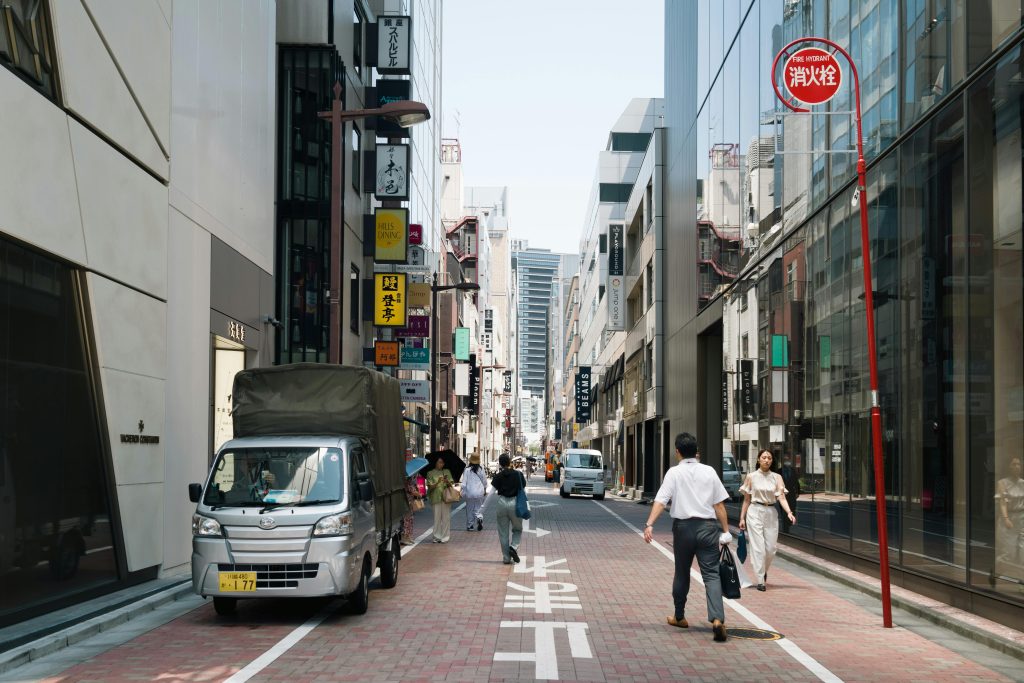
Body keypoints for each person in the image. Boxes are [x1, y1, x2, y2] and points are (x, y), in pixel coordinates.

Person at [642, 432, 733, 643]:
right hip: (708, 528)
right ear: (696, 451)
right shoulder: (709, 471)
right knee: (711, 575)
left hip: (683, 528)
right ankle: (717, 619)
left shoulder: (674, 473)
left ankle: (680, 616)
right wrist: (726, 531)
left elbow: (661, 500)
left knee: (681, 573)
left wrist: (649, 524)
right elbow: (719, 504)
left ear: (678, 452)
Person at [739, 449, 796, 591]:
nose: (766, 460)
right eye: (764, 457)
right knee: (759, 548)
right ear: (758, 459)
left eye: (769, 458)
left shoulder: (777, 477)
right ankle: (760, 580)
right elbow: (746, 499)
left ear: (772, 461)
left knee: (770, 549)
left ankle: (763, 571)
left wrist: (789, 512)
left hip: (771, 511)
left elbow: (781, 497)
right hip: (754, 511)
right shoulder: (751, 477)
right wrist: (742, 518)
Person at [490, 453, 526, 564]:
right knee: (517, 529)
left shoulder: (498, 476)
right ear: (510, 462)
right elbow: (523, 486)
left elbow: (490, 493)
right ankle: (513, 547)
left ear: (500, 463)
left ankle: (506, 558)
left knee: (503, 532)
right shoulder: (518, 474)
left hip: (501, 502)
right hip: (515, 502)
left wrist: (481, 510)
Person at [995, 457, 1024, 571]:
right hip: (1009, 518)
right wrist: (1006, 518)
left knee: (1022, 551)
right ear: (1008, 467)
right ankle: (999, 574)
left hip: (1022, 518)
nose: (1017, 466)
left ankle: (1021, 580)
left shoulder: (1023, 483)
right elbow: (1002, 502)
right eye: (1014, 464)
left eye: (1019, 464)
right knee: (1008, 552)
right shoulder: (1003, 483)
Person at [425, 457, 454, 543]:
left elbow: (451, 484)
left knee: (446, 518)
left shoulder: (447, 471)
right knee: (437, 518)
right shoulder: (430, 473)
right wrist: (437, 482)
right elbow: (429, 487)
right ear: (435, 463)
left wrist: (447, 481)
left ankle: (445, 536)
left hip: (446, 498)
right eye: (439, 462)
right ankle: (436, 536)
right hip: (435, 497)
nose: (441, 464)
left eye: (442, 462)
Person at [462, 453, 488, 531]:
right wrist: (485, 489)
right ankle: (479, 518)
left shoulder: (467, 470)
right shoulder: (481, 469)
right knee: (478, 508)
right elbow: (484, 481)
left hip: (470, 492)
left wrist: (461, 491)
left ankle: (470, 526)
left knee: (469, 509)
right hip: (479, 492)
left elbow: (464, 483)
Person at [777, 454, 801, 533]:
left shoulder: (792, 470)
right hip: (782, 493)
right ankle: (785, 528)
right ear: (783, 461)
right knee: (784, 510)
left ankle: (788, 523)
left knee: (792, 508)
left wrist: (798, 492)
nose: (787, 461)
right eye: (785, 460)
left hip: (791, 494)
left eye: (788, 460)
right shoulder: (779, 471)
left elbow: (796, 482)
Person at [401, 475, 421, 545]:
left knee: (410, 519)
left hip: (409, 501)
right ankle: (404, 538)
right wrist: (419, 494)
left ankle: (408, 537)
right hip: (406, 502)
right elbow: (412, 490)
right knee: (407, 520)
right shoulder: (407, 479)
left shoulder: (410, 478)